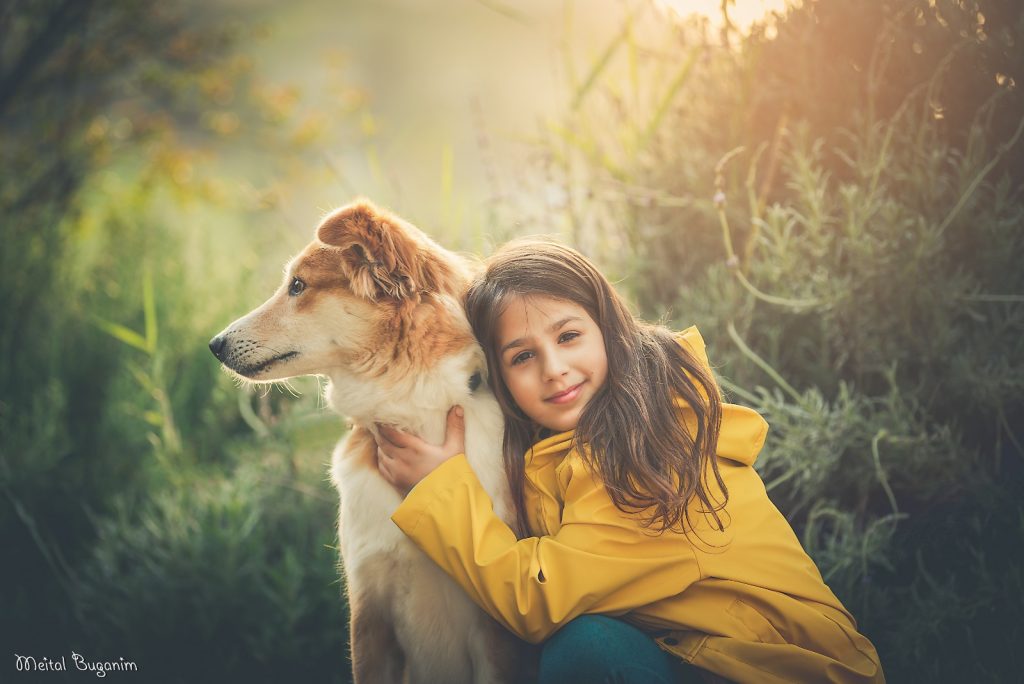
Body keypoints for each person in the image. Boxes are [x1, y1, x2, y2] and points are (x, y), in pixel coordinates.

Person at [375, 240, 885, 684]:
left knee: (586, 649)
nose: (555, 370)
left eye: (569, 336)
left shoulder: (651, 453)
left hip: (785, 672)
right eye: (522, 357)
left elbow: (536, 598)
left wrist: (442, 487)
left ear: (608, 328)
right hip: (702, 660)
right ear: (501, 377)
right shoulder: (564, 450)